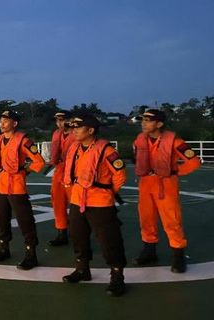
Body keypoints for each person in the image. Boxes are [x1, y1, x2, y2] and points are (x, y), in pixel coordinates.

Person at [62, 114, 127, 297]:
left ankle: (117, 277)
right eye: (72, 127)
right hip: (77, 199)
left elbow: (120, 175)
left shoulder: (106, 150)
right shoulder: (74, 148)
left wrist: (106, 192)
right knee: (78, 236)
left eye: (78, 127)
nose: (74, 130)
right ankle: (82, 269)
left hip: (99, 202)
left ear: (90, 130)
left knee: (109, 240)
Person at [132, 109, 201, 273]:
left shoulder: (175, 141)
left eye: (148, 120)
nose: (144, 123)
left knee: (172, 220)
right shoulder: (140, 140)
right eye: (143, 120)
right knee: (146, 219)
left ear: (159, 124)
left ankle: (178, 256)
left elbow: (194, 162)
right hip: (146, 184)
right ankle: (149, 251)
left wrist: (175, 172)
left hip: (166, 185)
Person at [0, 111, 45, 270]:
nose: (2, 123)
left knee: (25, 220)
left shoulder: (23, 141)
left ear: (15, 124)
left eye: (6, 121)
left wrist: (25, 170)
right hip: (0, 184)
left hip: (16, 185)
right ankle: (3, 248)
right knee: (2, 219)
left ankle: (31, 254)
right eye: (1, 120)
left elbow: (39, 162)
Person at [47, 111, 75, 246]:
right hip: (59, 170)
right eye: (57, 120)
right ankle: (61, 232)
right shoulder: (56, 134)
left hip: (75, 171)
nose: (59, 122)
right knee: (57, 201)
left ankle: (79, 232)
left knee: (76, 204)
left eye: (62, 119)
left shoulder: (78, 133)